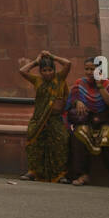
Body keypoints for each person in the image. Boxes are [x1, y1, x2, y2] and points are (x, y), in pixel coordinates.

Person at [66, 56, 109, 188]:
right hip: (86, 121)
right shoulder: (80, 84)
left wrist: (99, 85)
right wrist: (78, 102)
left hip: (105, 121)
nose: (89, 72)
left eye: (92, 69)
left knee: (108, 138)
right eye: (87, 69)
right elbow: (71, 101)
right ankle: (82, 174)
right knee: (78, 135)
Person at [19, 50, 71, 182]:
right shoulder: (37, 80)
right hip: (38, 119)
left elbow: (68, 63)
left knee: (61, 142)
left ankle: (60, 174)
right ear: (40, 71)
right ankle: (33, 172)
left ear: (54, 70)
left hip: (55, 119)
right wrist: (36, 62)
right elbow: (23, 71)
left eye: (50, 70)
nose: (47, 73)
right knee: (34, 143)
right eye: (44, 70)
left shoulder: (59, 78)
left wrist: (53, 56)